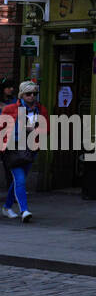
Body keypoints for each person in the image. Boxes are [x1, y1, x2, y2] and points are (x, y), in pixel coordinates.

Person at [2, 82, 48, 222]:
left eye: (35, 93)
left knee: (18, 181)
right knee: (20, 180)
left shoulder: (40, 109)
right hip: (13, 149)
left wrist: (34, 130)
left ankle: (7, 207)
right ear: (22, 94)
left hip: (30, 149)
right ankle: (24, 210)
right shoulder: (10, 109)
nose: (32, 96)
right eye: (29, 94)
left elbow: (47, 129)